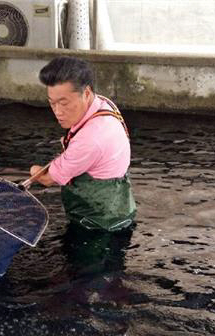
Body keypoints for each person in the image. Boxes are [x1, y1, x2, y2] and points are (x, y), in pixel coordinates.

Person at [30, 56, 136, 233]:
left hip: (96, 222)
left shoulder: (89, 140)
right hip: (120, 207)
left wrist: (33, 171)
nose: (57, 112)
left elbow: (47, 179)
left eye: (64, 103)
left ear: (86, 93)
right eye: (51, 103)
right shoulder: (103, 104)